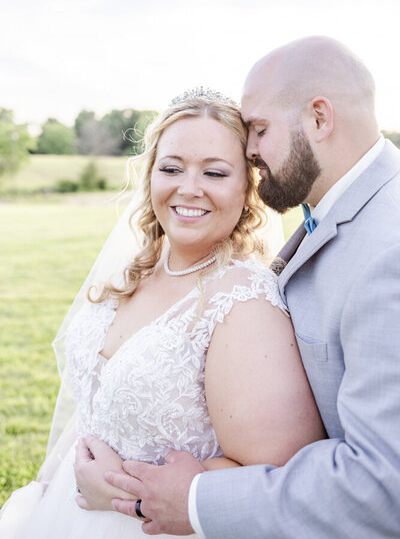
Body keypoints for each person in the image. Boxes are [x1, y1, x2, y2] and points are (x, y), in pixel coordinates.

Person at [91, 37, 400, 538]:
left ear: (319, 119)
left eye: (258, 129)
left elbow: (384, 487)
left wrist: (183, 499)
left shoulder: (389, 251)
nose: (250, 150)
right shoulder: (339, 215)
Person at [0, 89, 325, 538]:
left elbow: (276, 474)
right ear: (150, 173)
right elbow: (99, 402)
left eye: (214, 172)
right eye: (171, 168)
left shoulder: (243, 301)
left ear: (248, 188)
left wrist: (120, 495)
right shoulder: (135, 271)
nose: (188, 188)